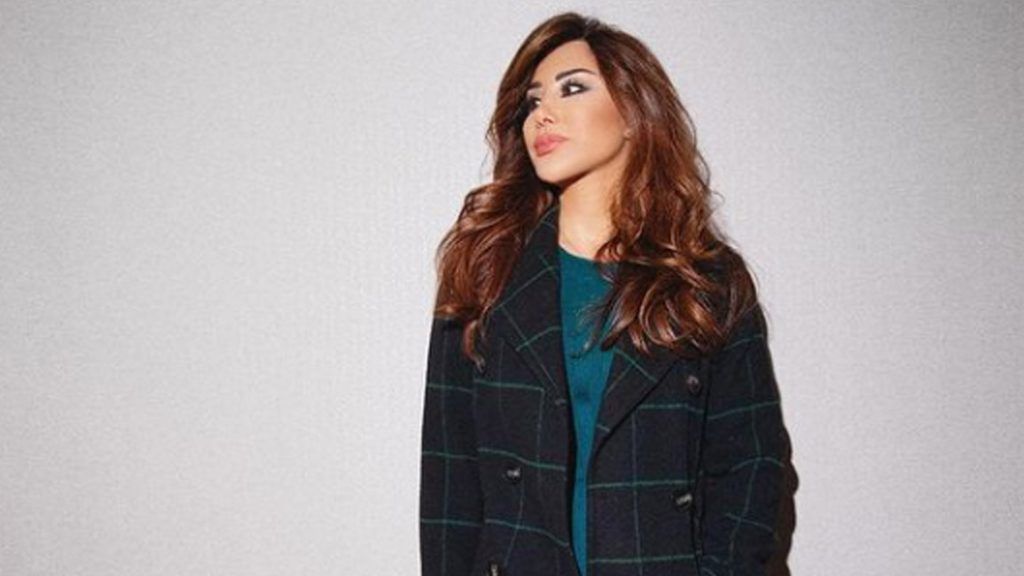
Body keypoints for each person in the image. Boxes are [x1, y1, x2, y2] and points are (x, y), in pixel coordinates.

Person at [419, 11, 791, 576]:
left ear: (634, 114)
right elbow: (451, 479)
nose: (543, 113)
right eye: (532, 101)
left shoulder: (706, 281)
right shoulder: (486, 270)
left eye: (573, 88)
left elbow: (751, 464)